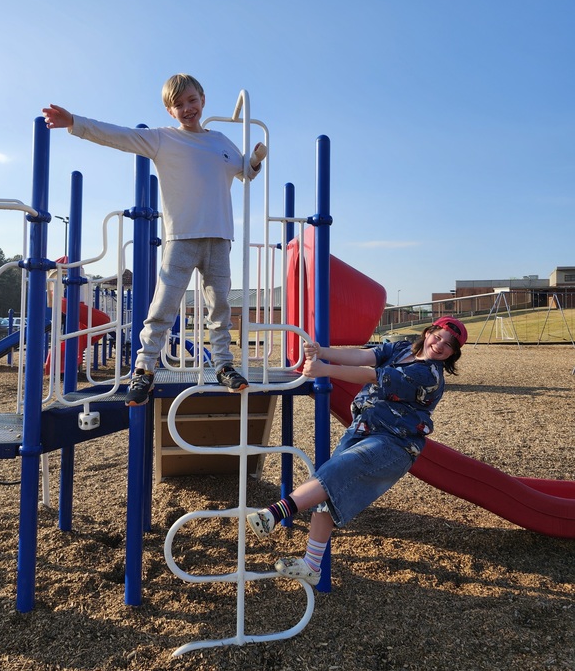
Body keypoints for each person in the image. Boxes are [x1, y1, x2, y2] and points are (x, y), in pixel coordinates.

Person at [43, 74, 267, 406]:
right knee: (163, 305)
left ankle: (223, 365)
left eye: (191, 100)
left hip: (219, 237)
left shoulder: (221, 141)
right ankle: (144, 368)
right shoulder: (163, 139)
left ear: (203, 99)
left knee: (219, 306)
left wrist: (255, 160)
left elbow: (243, 172)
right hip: (182, 238)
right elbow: (119, 136)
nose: (187, 108)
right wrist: (75, 122)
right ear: (169, 110)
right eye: (179, 104)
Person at [247, 316, 468, 586]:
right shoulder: (402, 348)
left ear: (452, 355)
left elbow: (371, 375)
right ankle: (311, 565)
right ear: (428, 332)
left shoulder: (428, 375)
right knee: (327, 490)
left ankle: (276, 513)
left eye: (449, 345)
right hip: (363, 428)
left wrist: (324, 370)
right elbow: (365, 356)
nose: (440, 344)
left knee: (337, 471)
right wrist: (323, 352)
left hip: (394, 442)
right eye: (439, 336)